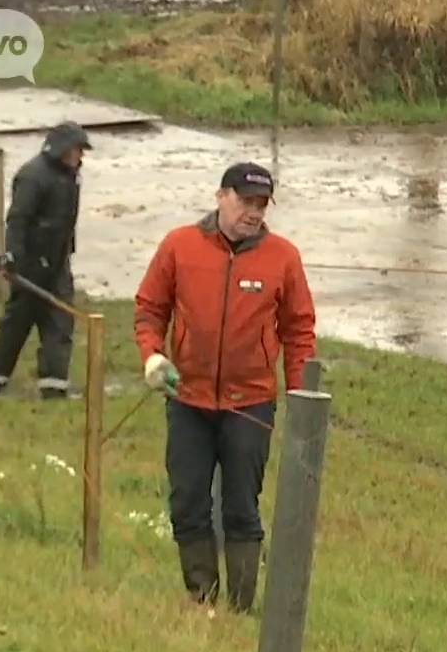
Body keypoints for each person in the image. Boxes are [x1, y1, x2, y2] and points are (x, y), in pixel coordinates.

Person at [132, 162, 318, 613]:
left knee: (241, 507)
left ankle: (239, 605)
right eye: (244, 201)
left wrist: (301, 399)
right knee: (188, 502)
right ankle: (201, 599)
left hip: (250, 405)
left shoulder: (283, 257)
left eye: (260, 204)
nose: (252, 212)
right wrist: (153, 356)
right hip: (188, 400)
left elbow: (298, 330)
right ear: (220, 196)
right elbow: (149, 308)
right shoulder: (179, 246)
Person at [0, 121, 89, 398]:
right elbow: (18, 220)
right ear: (62, 150)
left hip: (58, 262)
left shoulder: (71, 176)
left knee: (61, 321)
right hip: (30, 265)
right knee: (17, 323)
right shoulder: (32, 177)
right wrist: (12, 256)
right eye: (77, 149)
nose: (81, 156)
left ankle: (54, 387)